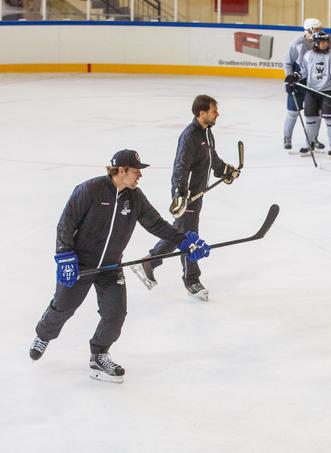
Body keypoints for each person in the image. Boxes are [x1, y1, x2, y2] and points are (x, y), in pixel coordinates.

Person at [29, 150, 211, 383]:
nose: (139, 176)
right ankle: (43, 335)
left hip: (110, 266)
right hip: (80, 263)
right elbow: (66, 224)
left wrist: (184, 241)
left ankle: (99, 354)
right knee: (63, 307)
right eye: (136, 171)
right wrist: (65, 256)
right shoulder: (90, 190)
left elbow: (156, 223)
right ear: (121, 170)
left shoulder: (134, 197)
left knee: (115, 314)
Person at [132, 95, 240, 301]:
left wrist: (226, 170)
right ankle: (192, 280)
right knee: (190, 237)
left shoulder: (207, 133)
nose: (217, 114)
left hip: (197, 195)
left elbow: (212, 159)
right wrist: (180, 195)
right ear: (202, 113)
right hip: (188, 197)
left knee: (179, 233)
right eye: (214, 110)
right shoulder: (190, 136)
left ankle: (150, 261)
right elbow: (180, 167)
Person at [294, 31, 331, 157]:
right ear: (316, 43)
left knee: (330, 120)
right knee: (310, 119)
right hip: (311, 91)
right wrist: (296, 76)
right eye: (322, 42)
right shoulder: (308, 55)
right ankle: (309, 144)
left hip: (328, 91)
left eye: (327, 42)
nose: (325, 44)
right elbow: (305, 71)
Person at [282, 18, 323, 150]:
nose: (319, 31)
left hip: (315, 83)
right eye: (317, 29)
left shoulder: (320, 42)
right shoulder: (298, 44)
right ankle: (287, 138)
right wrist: (290, 80)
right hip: (299, 83)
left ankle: (313, 138)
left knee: (316, 113)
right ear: (310, 29)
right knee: (293, 112)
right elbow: (288, 63)